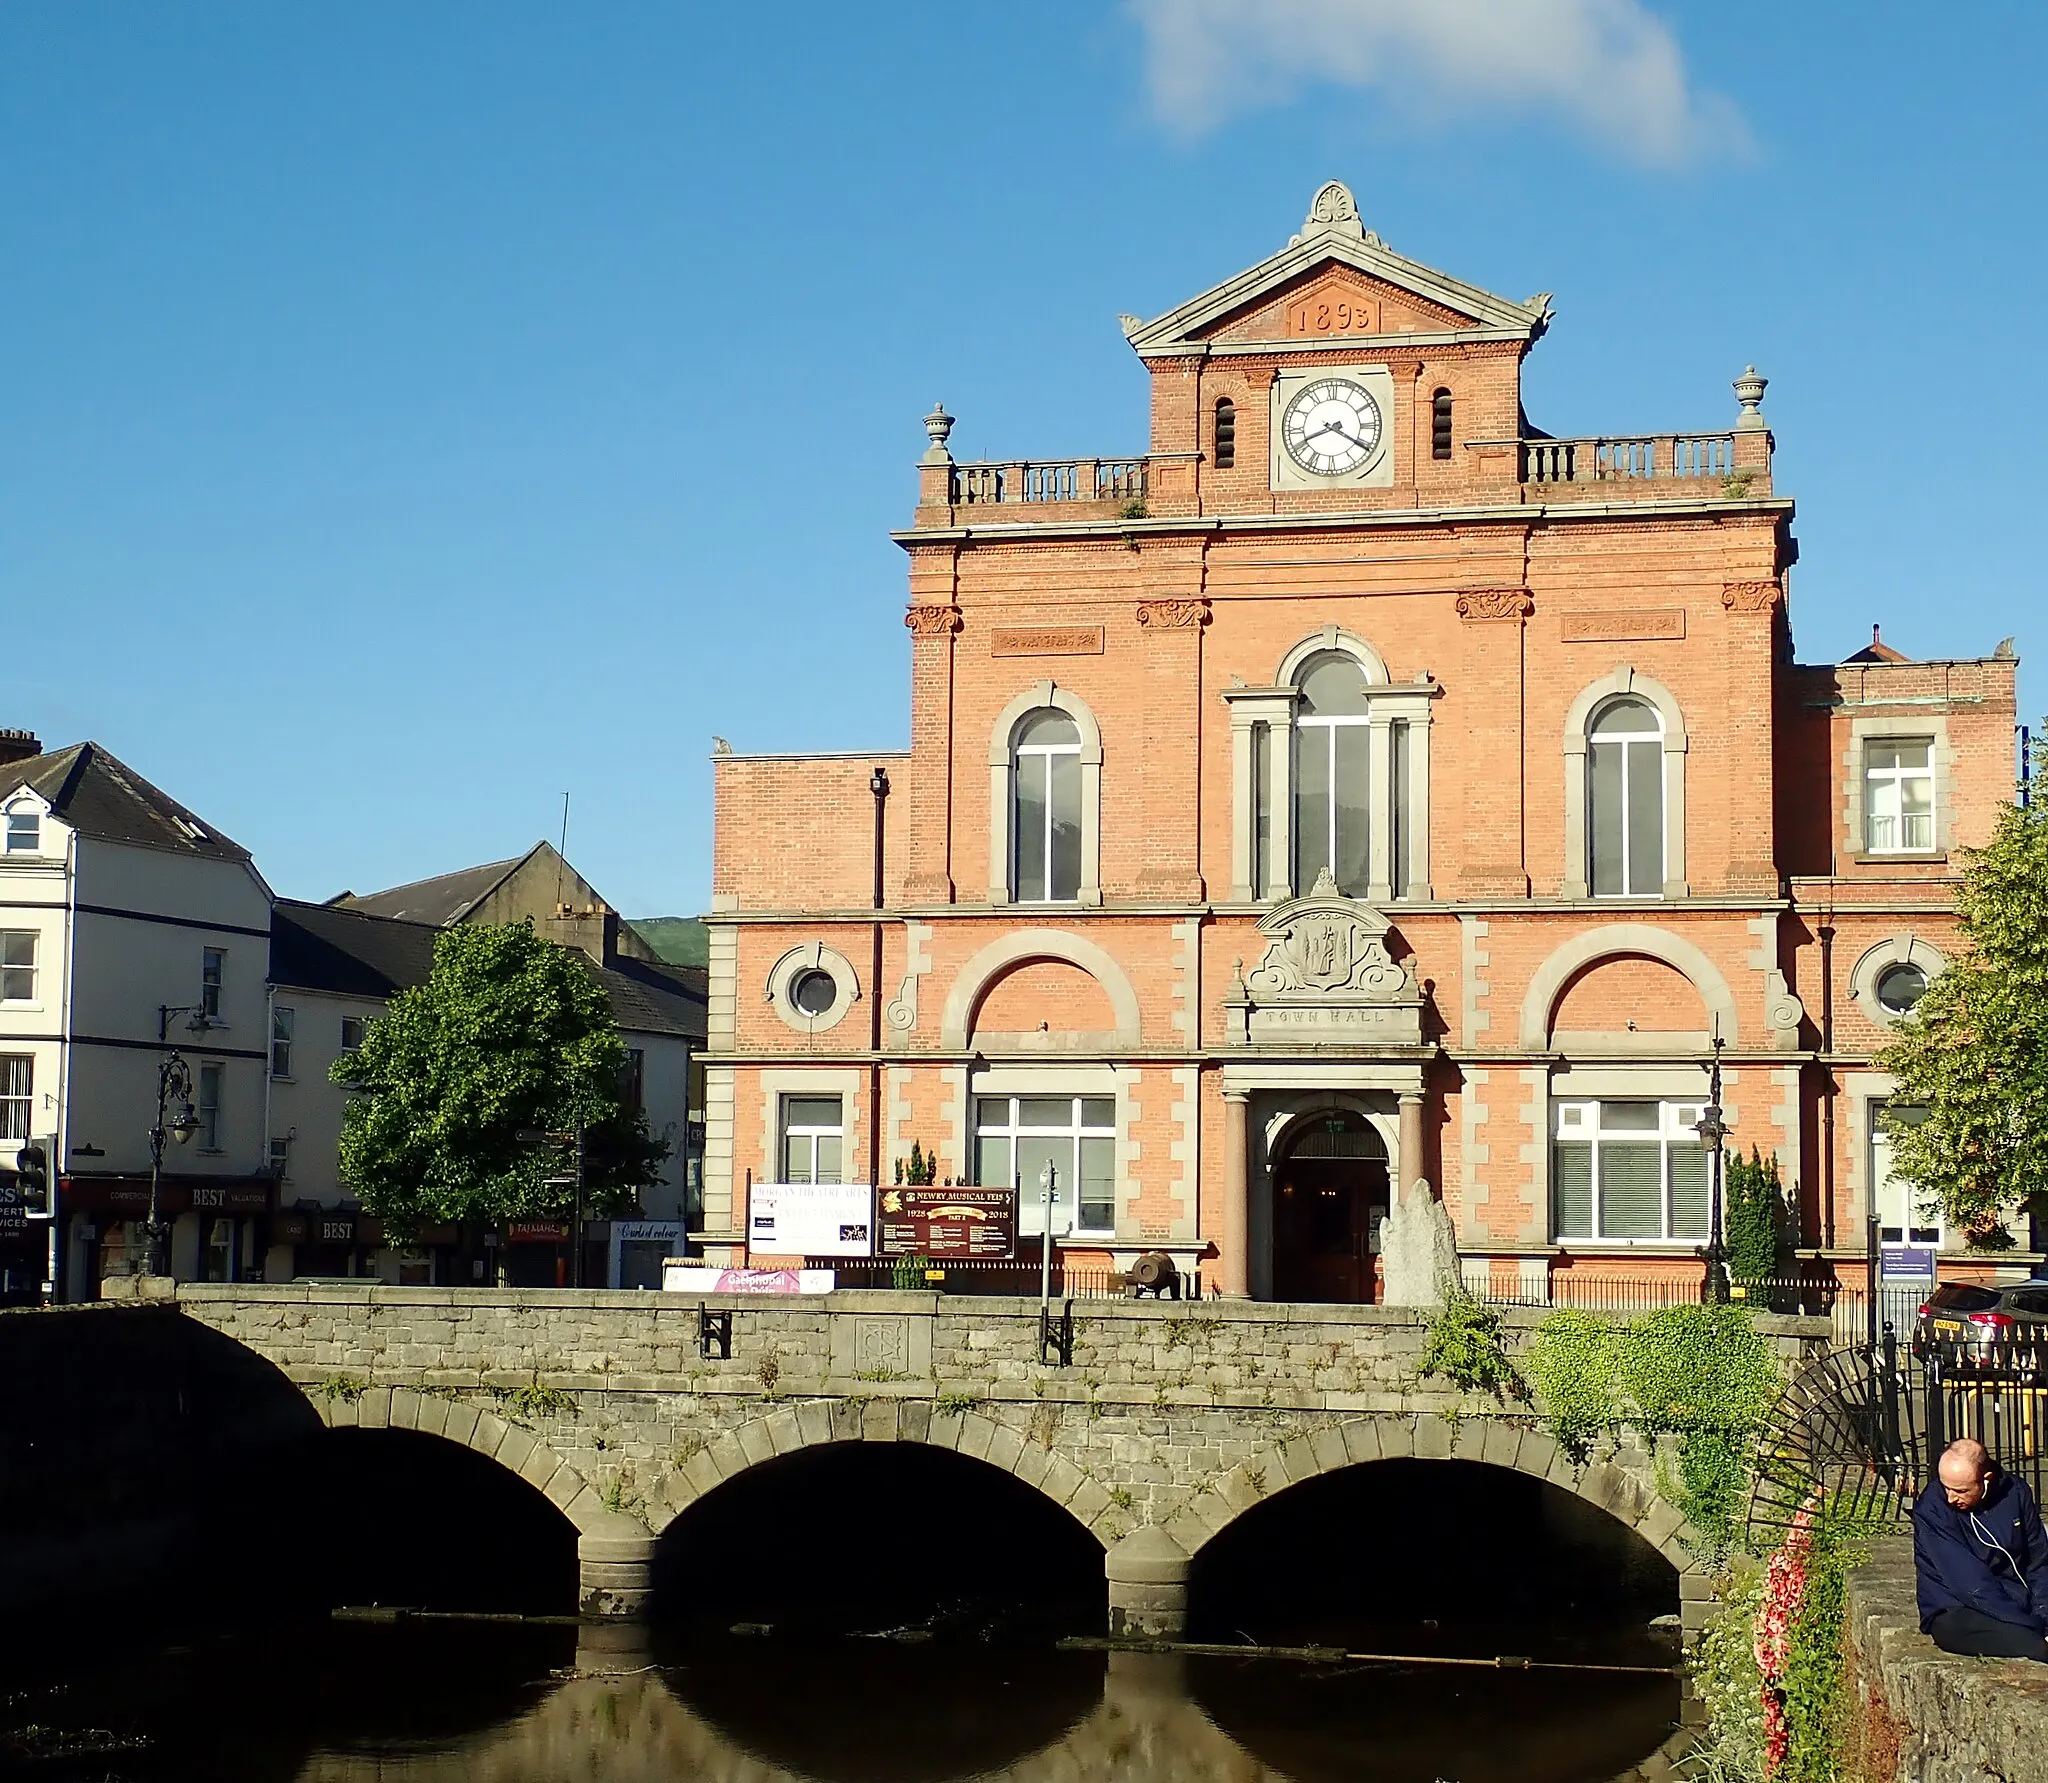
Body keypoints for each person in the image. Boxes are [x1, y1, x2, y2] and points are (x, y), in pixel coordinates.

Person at [1913, 1438, 2048, 1660]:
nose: (1951, 1498)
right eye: (1945, 1487)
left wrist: (2043, 1612)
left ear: (1986, 1480)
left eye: (1961, 1490)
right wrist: (2034, 1625)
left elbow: (2038, 1559)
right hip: (1958, 1607)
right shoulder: (1932, 1508)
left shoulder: (2016, 1492)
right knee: (2031, 1644)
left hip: (2016, 1598)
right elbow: (1971, 1585)